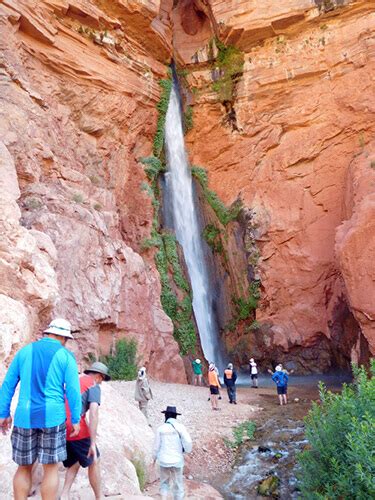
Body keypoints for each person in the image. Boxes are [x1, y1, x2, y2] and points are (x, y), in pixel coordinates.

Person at [0, 318, 81, 500]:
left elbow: (7, 385)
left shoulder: (24, 352)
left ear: (48, 333)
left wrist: (3, 413)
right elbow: (74, 391)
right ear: (64, 338)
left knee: (24, 467)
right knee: (50, 467)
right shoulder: (66, 356)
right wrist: (75, 419)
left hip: (24, 417)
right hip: (53, 418)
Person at [61, 361, 110, 500]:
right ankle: (99, 497)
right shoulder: (94, 385)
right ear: (99, 376)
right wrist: (92, 442)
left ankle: (64, 494)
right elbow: (93, 412)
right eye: (102, 380)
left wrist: (89, 430)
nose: (101, 383)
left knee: (74, 461)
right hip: (75, 426)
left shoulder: (75, 381)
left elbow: (78, 408)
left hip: (59, 425)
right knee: (94, 459)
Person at [153, 406, 192, 500]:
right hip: (177, 461)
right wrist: (187, 451)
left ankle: (163, 498)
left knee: (164, 483)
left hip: (163, 461)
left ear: (165, 416)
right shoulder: (181, 427)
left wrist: (154, 458)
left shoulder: (160, 429)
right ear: (175, 417)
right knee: (178, 484)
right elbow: (188, 442)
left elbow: (156, 447)